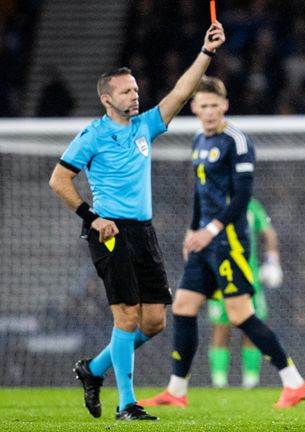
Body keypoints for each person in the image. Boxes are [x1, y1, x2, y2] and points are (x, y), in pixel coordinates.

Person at [48, 23, 226, 421]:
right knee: (126, 316)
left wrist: (207, 52)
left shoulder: (144, 125)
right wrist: (91, 218)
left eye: (136, 88)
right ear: (106, 97)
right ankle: (126, 403)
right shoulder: (92, 135)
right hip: (110, 231)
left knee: (153, 321)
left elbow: (181, 93)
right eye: (127, 90)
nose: (135, 93)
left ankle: (92, 370)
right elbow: (59, 179)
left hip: (143, 232)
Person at [138, 76, 305, 409]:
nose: (209, 112)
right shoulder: (198, 140)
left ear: (225, 106)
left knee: (240, 316)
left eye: (215, 106)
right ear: (194, 108)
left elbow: (243, 197)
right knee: (183, 307)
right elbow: (202, 192)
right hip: (205, 242)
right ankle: (176, 390)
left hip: (229, 242)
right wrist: (192, 229)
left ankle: (294, 381)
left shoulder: (237, 141)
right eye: (203, 106)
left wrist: (211, 230)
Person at [207, 198, 283, 388]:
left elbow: (269, 233)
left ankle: (250, 381)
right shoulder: (213, 203)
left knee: (251, 327)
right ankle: (219, 382)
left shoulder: (250, 205)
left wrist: (272, 261)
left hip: (249, 277)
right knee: (220, 328)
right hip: (221, 276)